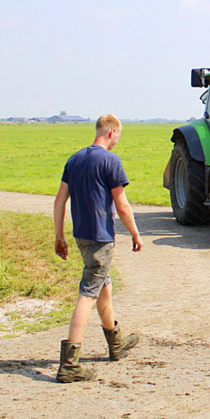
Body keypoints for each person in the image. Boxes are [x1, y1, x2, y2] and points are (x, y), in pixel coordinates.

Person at [53, 114, 143, 383]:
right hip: (100, 237)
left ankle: (115, 343)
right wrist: (136, 234)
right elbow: (122, 205)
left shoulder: (75, 159)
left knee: (104, 284)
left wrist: (59, 236)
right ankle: (69, 364)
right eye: (118, 138)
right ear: (112, 133)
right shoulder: (110, 160)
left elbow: (59, 201)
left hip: (81, 235)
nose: (117, 143)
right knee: (88, 292)